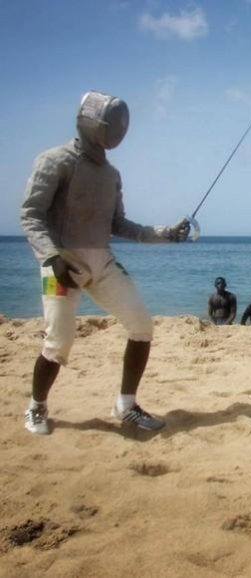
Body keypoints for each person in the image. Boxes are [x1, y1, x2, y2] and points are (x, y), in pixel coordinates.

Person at [19, 90, 190, 435]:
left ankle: (126, 405)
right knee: (58, 342)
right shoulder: (55, 160)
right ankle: (36, 407)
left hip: (103, 262)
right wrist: (51, 257)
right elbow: (31, 214)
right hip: (61, 265)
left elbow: (119, 224)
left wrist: (165, 233)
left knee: (142, 325)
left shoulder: (111, 174)